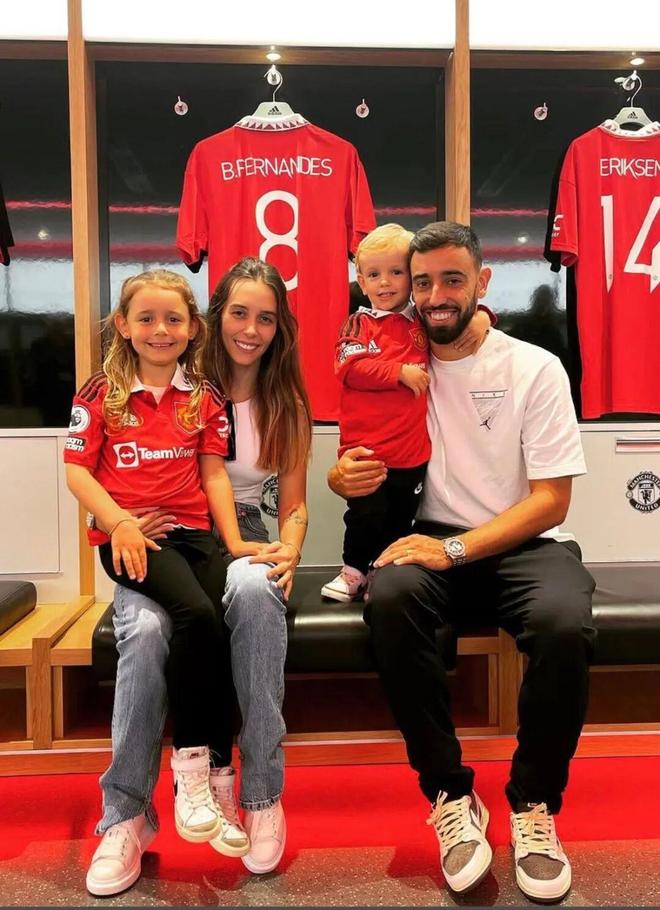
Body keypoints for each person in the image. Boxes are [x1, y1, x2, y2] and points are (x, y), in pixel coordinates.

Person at [328, 222, 596, 903]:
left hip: (521, 541)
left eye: (452, 279)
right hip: (427, 540)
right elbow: (358, 458)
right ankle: (450, 795)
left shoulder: (533, 366)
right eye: (421, 282)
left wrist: (453, 550)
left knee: (564, 624)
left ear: (482, 281)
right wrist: (340, 479)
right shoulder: (395, 362)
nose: (434, 295)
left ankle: (534, 804)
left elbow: (552, 500)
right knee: (391, 600)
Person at [83, 257, 312, 896]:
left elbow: (294, 506)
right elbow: (105, 463)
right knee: (147, 630)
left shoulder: (286, 402)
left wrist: (289, 549)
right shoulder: (174, 370)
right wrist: (119, 518)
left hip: (242, 529)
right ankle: (126, 817)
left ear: (280, 327)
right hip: (161, 529)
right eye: (239, 313)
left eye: (266, 318)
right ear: (212, 319)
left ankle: (259, 794)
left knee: (253, 591)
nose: (251, 329)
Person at [64, 269, 261, 856]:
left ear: (193, 328)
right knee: (196, 616)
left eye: (174, 319)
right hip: (135, 542)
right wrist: (119, 522)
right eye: (146, 318)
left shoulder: (204, 395)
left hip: (194, 536)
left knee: (221, 625)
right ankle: (191, 769)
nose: (160, 330)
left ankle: (220, 781)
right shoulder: (99, 393)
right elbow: (77, 472)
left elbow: (213, 474)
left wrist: (235, 543)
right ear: (123, 326)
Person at [321, 223, 493, 602]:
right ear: (361, 282)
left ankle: (380, 574)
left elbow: (456, 322)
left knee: (400, 521)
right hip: (366, 451)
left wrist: (482, 317)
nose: (385, 282)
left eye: (396, 272)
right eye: (374, 275)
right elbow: (348, 367)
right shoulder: (359, 323)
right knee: (364, 516)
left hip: (412, 454)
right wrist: (398, 372)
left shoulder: (419, 320)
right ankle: (352, 571)